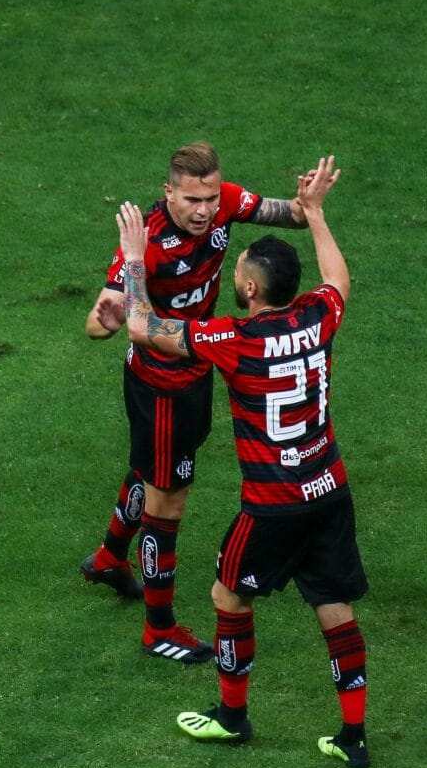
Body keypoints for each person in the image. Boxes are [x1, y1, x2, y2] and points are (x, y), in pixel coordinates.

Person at [115, 156, 372, 768]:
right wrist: (314, 214)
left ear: (251, 288)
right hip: (330, 490)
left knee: (227, 598)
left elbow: (142, 326)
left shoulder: (233, 338)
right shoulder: (319, 315)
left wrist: (131, 258)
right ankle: (353, 737)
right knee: (334, 609)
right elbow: (339, 276)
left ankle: (232, 716)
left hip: (273, 504)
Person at [81, 142, 316, 665]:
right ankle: (158, 628)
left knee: (149, 470)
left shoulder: (227, 203)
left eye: (210, 197)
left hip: (197, 371)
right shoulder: (145, 242)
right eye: (191, 199)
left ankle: (107, 557)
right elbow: (98, 324)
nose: (205, 210)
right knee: (168, 503)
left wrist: (308, 201)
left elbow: (291, 215)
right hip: (160, 386)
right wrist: (108, 316)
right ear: (169, 193)